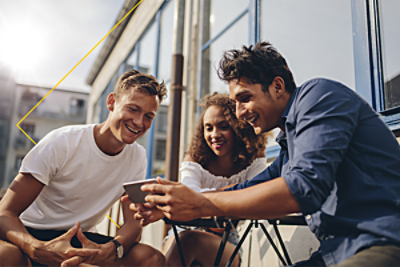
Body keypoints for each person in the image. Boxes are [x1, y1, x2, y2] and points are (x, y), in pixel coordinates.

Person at [132, 41, 400, 267]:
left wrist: (200, 204)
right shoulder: (291, 142)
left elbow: (303, 188)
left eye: (244, 98)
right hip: (334, 253)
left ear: (277, 86)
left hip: (383, 241)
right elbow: (250, 187)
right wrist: (177, 205)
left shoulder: (318, 95)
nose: (238, 113)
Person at [0, 69, 167, 267]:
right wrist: (36, 249)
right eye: (133, 109)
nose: (140, 122)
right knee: (5, 256)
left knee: (151, 258)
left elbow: (133, 222)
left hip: (80, 239)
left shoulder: (138, 156)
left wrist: (114, 247)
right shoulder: (63, 142)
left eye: (149, 116)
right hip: (30, 233)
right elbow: (5, 213)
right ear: (112, 102)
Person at [161, 93, 268, 267]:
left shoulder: (254, 156)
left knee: (189, 241)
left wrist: (205, 200)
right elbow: (188, 197)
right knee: (186, 239)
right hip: (182, 231)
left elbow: (259, 193)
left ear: (239, 127)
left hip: (226, 239)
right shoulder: (194, 159)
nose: (214, 135)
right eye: (208, 128)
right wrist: (239, 193)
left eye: (223, 126)